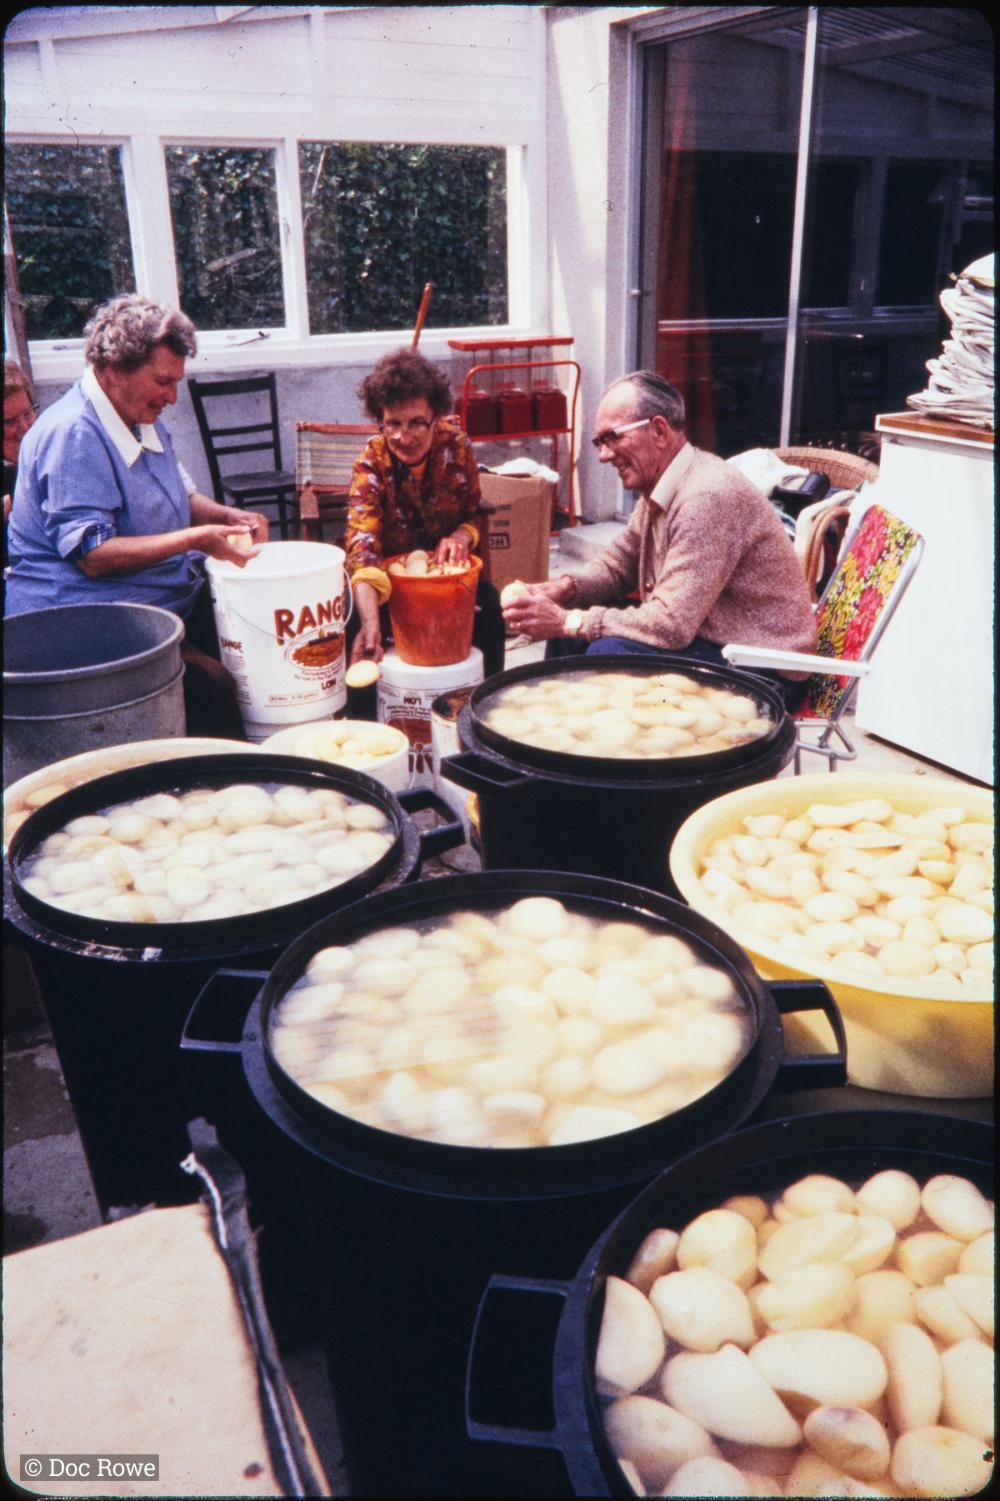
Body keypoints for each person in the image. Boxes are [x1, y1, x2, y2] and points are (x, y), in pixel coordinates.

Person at [5, 294, 270, 738]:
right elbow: (94, 555)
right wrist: (196, 539)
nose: (173, 396)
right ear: (113, 370)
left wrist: (229, 516)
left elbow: (177, 496)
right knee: (213, 686)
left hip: (156, 596)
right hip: (80, 619)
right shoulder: (74, 433)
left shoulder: (138, 414)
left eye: (176, 381)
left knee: (262, 634)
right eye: (162, 382)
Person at [501, 370, 817, 707]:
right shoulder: (665, 484)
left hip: (765, 667)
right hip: (712, 640)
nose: (603, 455)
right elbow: (617, 566)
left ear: (659, 431)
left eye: (612, 437)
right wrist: (564, 590)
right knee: (573, 638)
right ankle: (560, 742)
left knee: (607, 654)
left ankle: (604, 754)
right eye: (600, 442)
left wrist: (566, 620)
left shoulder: (705, 497)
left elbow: (671, 624)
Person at [345, 348, 505, 679]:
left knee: (490, 608)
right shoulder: (370, 463)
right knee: (357, 625)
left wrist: (462, 535)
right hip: (390, 587)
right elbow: (363, 548)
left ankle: (485, 704)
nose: (404, 437)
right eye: (393, 424)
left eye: (417, 422)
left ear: (437, 416)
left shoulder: (457, 448)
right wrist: (371, 623)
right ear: (381, 421)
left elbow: (474, 513)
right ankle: (368, 723)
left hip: (444, 583)